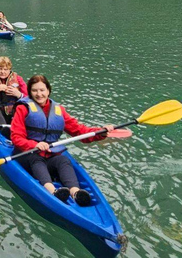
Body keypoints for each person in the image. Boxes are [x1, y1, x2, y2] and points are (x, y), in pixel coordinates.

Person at [10, 75, 114, 206]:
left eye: (42, 90)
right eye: (35, 90)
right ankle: (53, 192)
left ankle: (75, 192)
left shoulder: (58, 110)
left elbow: (79, 131)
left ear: (48, 91)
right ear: (30, 92)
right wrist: (34, 145)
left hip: (49, 155)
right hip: (27, 154)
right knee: (36, 160)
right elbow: (16, 137)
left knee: (63, 160)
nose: (39, 94)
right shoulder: (23, 108)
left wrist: (100, 132)